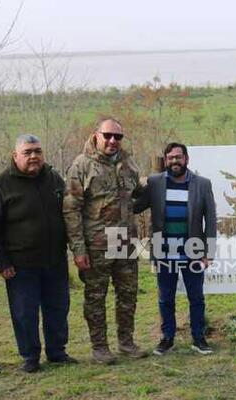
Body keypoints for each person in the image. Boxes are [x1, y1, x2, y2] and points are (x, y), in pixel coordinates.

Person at [0, 134, 75, 373]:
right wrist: (1, 261)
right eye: (27, 152)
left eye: (37, 151)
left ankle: (57, 352)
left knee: (58, 308)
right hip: (20, 264)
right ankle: (30, 356)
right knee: (24, 313)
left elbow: (69, 215)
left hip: (55, 259)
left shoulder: (54, 178)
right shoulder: (0, 185)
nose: (34, 156)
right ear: (15, 156)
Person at [63, 118, 146, 364]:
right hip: (96, 244)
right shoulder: (82, 166)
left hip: (124, 241)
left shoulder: (128, 163)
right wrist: (78, 249)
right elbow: (71, 210)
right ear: (96, 135)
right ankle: (100, 347)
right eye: (108, 135)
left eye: (118, 137)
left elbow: (136, 195)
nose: (112, 141)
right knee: (96, 297)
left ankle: (126, 342)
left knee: (128, 294)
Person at [133, 142, 217, 355]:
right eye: (170, 158)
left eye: (178, 157)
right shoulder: (154, 183)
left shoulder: (202, 184)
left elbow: (212, 220)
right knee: (165, 298)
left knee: (196, 297)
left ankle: (199, 338)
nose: (175, 161)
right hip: (164, 251)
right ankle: (167, 338)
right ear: (166, 160)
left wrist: (209, 252)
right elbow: (136, 206)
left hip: (193, 250)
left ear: (186, 159)